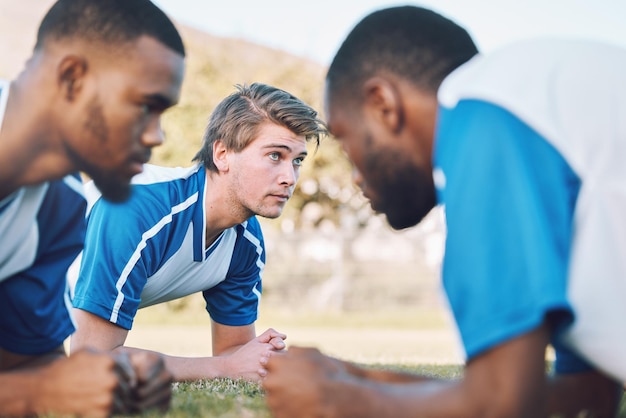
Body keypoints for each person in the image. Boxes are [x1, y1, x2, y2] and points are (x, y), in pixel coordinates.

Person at [262, 5, 626, 418]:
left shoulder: (484, 118)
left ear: (383, 104)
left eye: (346, 142)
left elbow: (502, 404)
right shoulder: (537, 105)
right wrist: (362, 379)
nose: (355, 177)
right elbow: (584, 399)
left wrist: (337, 401)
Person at [69, 82, 328, 383]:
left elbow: (234, 352)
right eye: (274, 156)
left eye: (297, 161)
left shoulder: (247, 242)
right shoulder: (133, 209)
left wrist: (262, 360)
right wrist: (224, 368)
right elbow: (89, 362)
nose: (289, 178)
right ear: (222, 154)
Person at [0, 0, 186, 416]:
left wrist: (108, 379)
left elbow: (23, 365)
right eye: (145, 106)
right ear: (72, 78)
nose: (156, 136)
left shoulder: (61, 210)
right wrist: (33, 394)